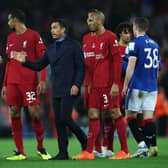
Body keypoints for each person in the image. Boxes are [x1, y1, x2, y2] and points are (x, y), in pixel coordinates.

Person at [14, 18, 87, 160]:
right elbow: (39, 65)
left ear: (63, 29)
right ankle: (63, 153)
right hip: (57, 89)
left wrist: (77, 85)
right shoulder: (51, 49)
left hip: (70, 88)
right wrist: (25, 62)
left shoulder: (74, 45)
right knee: (59, 121)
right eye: (51, 28)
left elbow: (80, 68)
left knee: (65, 118)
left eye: (55, 28)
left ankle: (84, 140)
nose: (52, 30)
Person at [72, 9, 130, 160]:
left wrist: (116, 84)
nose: (88, 22)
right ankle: (89, 151)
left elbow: (117, 62)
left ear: (100, 21)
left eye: (91, 20)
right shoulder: (86, 39)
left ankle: (125, 150)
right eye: (88, 19)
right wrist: (87, 83)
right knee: (93, 114)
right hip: (94, 85)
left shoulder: (110, 37)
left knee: (115, 113)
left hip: (107, 84)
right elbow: (88, 64)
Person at [1, 9, 51, 160]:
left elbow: (44, 58)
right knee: (15, 113)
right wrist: (4, 84)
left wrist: (42, 80)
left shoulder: (34, 36)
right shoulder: (9, 38)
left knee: (34, 113)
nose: (8, 22)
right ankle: (20, 152)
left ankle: (41, 148)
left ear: (16, 20)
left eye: (10, 20)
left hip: (29, 81)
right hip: (12, 82)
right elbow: (9, 63)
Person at [122, 17, 162, 158]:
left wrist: (125, 86)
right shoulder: (155, 45)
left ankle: (142, 146)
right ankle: (153, 146)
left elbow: (131, 66)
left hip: (138, 86)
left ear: (135, 27)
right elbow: (158, 68)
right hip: (152, 87)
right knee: (148, 118)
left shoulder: (134, 44)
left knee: (130, 115)